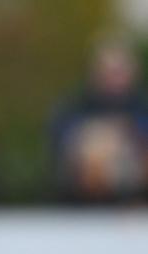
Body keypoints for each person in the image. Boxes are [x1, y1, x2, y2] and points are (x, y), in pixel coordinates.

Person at [49, 39, 148, 204]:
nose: (114, 79)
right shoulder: (75, 106)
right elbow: (61, 141)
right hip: (83, 206)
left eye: (119, 72)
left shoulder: (141, 107)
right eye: (109, 72)